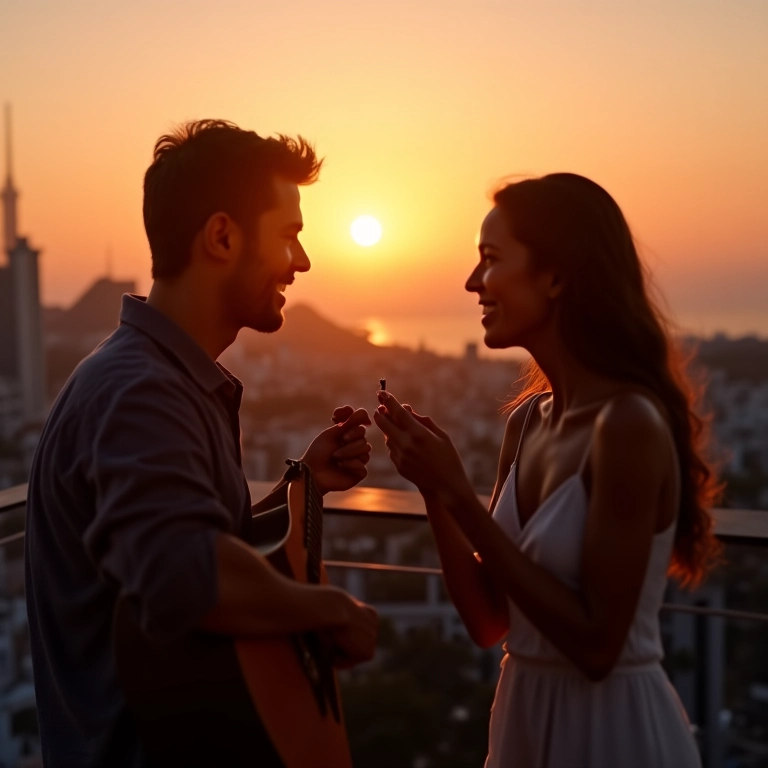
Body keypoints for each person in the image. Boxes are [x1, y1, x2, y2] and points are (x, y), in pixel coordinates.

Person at [25, 120, 378, 768]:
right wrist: (327, 610)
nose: (301, 263)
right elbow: (185, 576)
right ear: (222, 236)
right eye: (289, 236)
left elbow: (204, 541)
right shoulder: (140, 393)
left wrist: (302, 486)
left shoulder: (168, 382)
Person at [374, 173, 721, 767]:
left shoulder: (628, 426)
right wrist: (435, 491)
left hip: (614, 733)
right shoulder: (528, 422)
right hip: (524, 724)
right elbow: (488, 621)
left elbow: (597, 647)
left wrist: (459, 494)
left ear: (556, 276)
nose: (471, 281)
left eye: (490, 259)